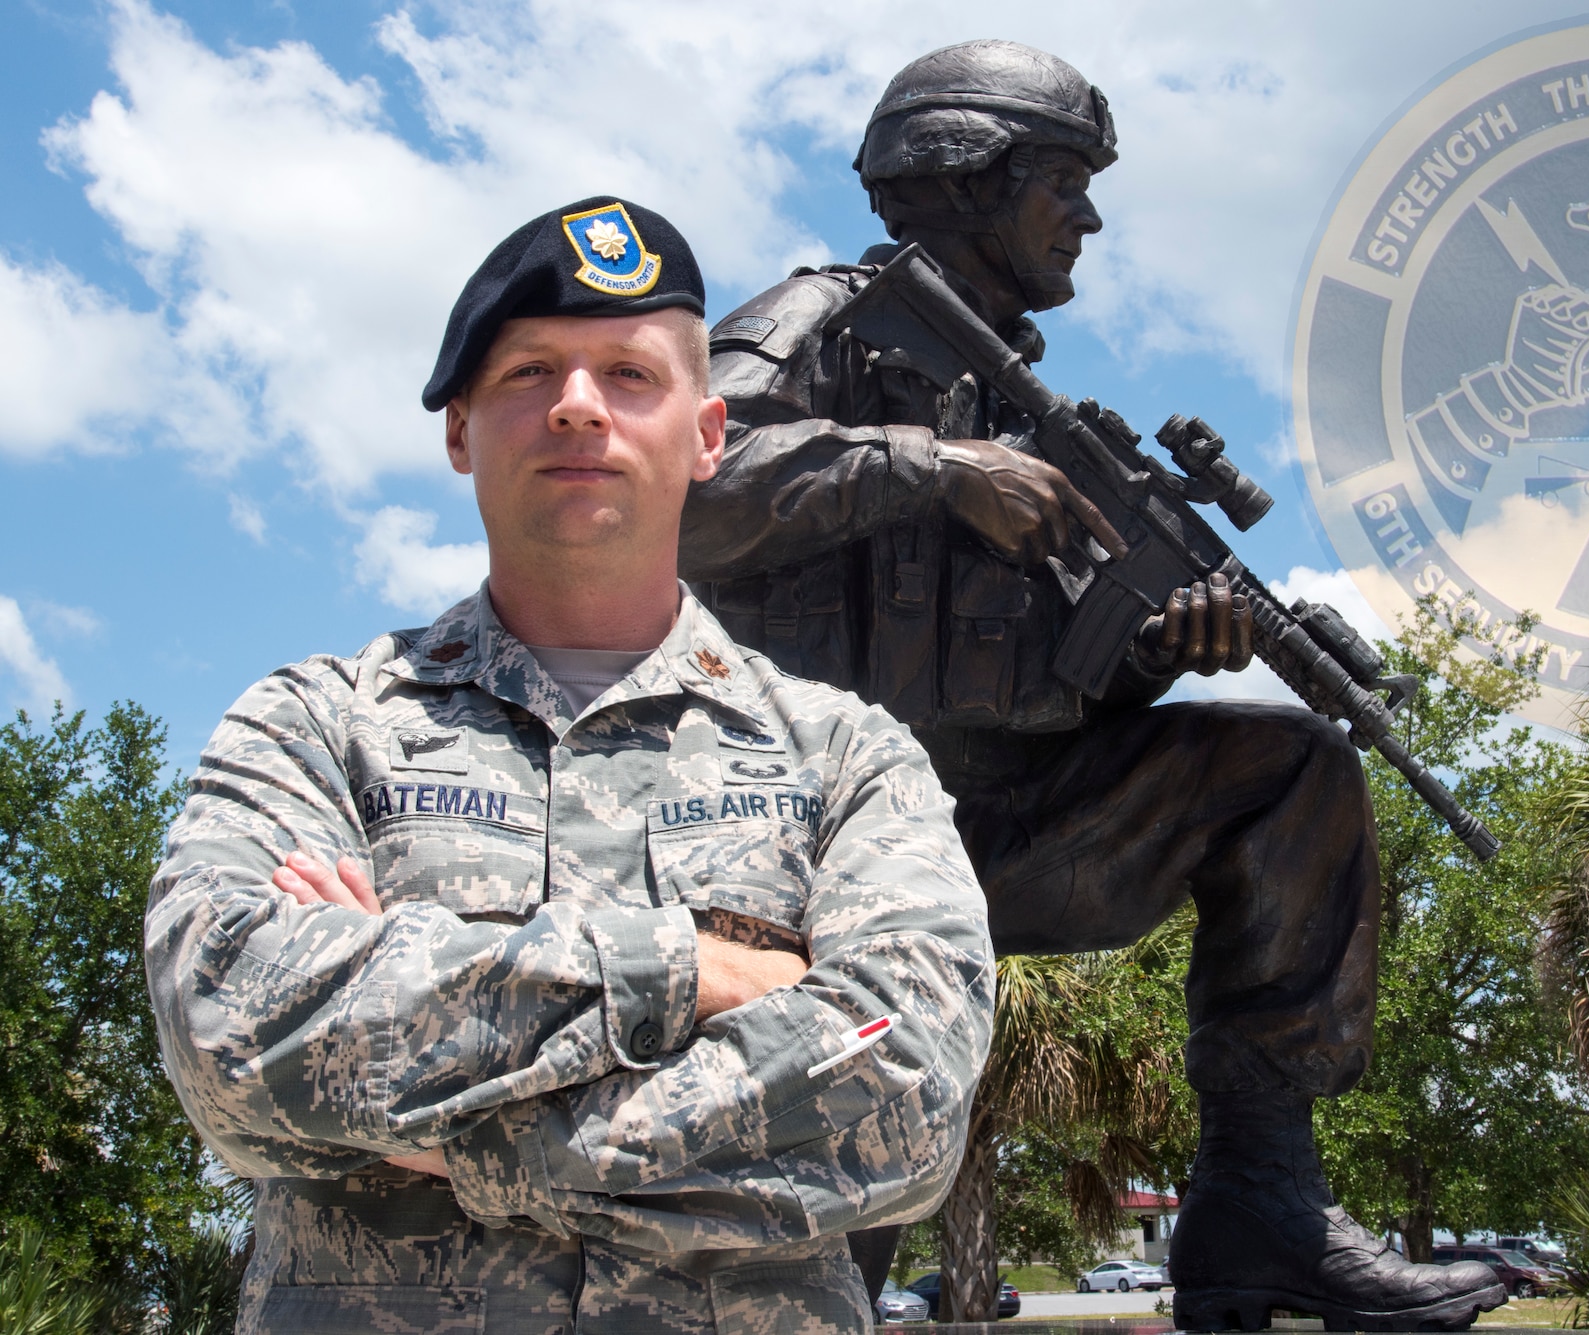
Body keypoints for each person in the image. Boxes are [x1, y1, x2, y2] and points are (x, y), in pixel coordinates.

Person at [682, 42, 1507, 1332]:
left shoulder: (1034, 416)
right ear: (959, 177)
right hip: (811, 852)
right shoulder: (818, 325)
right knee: (818, 1251)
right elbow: (678, 493)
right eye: (1061, 180)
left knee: (1291, 771)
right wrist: (932, 468)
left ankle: (1258, 1209)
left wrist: (1159, 648)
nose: (1090, 216)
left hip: (1002, 825)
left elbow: (1052, 686)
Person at [144, 196, 994, 1335]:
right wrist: (693, 973)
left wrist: (435, 1122)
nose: (578, 407)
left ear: (707, 436)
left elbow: (906, 1090)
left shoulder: (846, 757)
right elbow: (233, 1038)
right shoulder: (316, 729)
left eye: (629, 375)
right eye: (529, 372)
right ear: (459, 432)